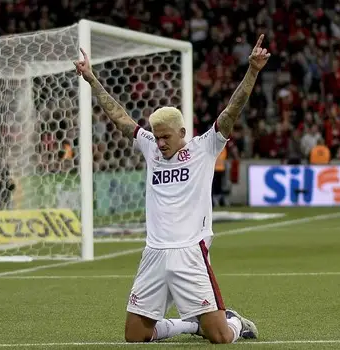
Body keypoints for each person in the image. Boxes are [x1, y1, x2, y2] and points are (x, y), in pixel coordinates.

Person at [73, 34, 270, 344]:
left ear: (182, 132)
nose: (160, 142)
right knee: (135, 336)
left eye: (166, 137)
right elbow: (120, 116)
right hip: (154, 253)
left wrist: (253, 71)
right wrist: (91, 79)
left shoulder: (205, 148)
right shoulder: (150, 147)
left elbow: (232, 110)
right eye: (157, 136)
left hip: (190, 251)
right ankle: (191, 326)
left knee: (220, 337)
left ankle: (232, 321)